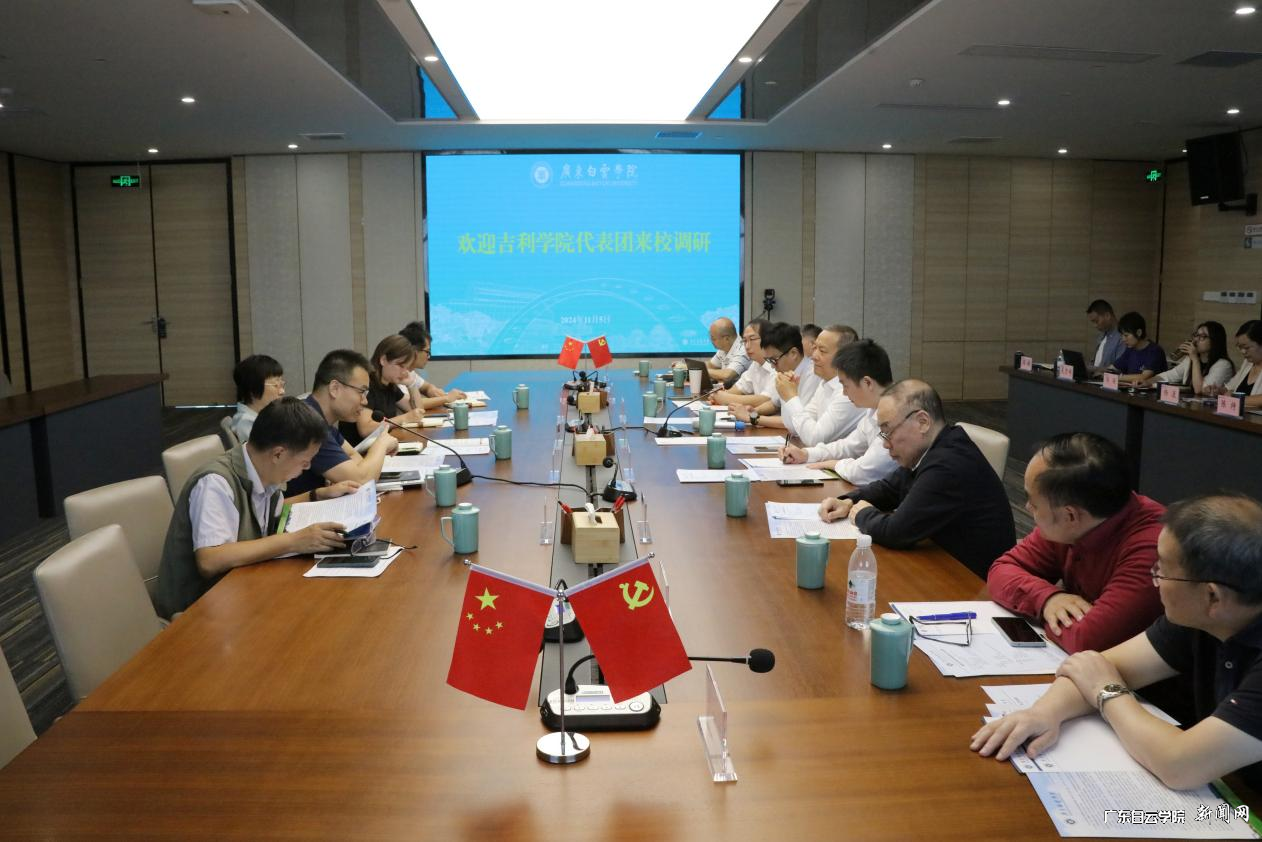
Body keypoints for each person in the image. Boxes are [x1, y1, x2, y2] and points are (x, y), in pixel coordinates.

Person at [972, 493, 1262, 792]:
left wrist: (1107, 691)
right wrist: (1043, 713)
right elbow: (1091, 668)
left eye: (1162, 570)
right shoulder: (1201, 615)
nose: (1154, 579)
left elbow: (1179, 765)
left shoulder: (1203, 614)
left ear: (1213, 596)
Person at [156, 397, 359, 617]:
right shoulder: (215, 483)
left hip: (244, 586)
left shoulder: (260, 467)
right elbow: (210, 560)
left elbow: (262, 510)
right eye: (304, 461)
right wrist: (294, 541)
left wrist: (317, 495)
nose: (308, 467)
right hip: (201, 608)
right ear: (278, 454)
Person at [987, 433, 1165, 653]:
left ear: (1070, 515)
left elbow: (1087, 639)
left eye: (1033, 502)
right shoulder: (1074, 522)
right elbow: (1001, 570)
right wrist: (1047, 599)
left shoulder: (1154, 549)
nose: (1027, 508)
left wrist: (1045, 609)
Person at [818, 380, 1015, 578]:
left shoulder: (948, 464)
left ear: (922, 422)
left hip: (974, 583)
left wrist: (862, 514)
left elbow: (895, 532)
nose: (885, 444)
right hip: (942, 562)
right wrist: (849, 501)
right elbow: (890, 488)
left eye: (888, 431)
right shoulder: (932, 448)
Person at [780, 338, 898, 485]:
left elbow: (865, 472)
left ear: (867, 383)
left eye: (846, 386)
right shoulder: (872, 409)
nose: (844, 393)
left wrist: (834, 464)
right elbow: (848, 446)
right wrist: (806, 454)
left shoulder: (896, 414)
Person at [286, 349, 397, 498]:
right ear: (334, 388)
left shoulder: (317, 414)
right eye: (361, 392)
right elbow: (362, 481)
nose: (365, 401)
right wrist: (381, 444)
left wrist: (353, 472)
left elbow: (352, 456)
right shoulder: (307, 422)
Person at [776, 324, 864, 446]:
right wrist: (786, 395)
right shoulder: (824, 383)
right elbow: (794, 427)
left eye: (822, 351)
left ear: (844, 357)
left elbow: (815, 439)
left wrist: (791, 397)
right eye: (815, 348)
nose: (813, 356)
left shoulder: (848, 392)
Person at [341, 335, 430, 448]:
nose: (404, 372)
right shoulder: (368, 383)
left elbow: (418, 411)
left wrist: (411, 385)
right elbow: (365, 429)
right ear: (383, 360)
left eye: (407, 367)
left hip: (379, 447)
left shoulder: (389, 384)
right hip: (358, 452)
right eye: (400, 366)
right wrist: (404, 418)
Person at [728, 323, 818, 429]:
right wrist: (753, 411)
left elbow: (796, 422)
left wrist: (752, 418)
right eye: (768, 360)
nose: (771, 365)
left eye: (774, 360)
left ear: (793, 353)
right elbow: (775, 404)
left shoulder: (813, 375)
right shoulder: (786, 372)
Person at [1146, 321, 1234, 393]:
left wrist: (1195, 359)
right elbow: (1170, 375)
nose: (1196, 340)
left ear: (1215, 341)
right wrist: (1147, 382)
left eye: (1202, 336)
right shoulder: (1190, 359)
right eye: (1196, 335)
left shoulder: (1223, 365)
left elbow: (1199, 390)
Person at [399, 321, 465, 411]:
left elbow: (426, 386)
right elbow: (410, 404)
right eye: (427, 352)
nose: (428, 357)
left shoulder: (410, 372)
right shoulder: (396, 373)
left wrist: (431, 390)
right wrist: (446, 398)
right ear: (414, 351)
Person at [711, 319, 774, 408]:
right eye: (744, 341)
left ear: (768, 339)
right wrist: (717, 396)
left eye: (752, 339)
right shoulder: (755, 364)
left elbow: (766, 399)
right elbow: (740, 387)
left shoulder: (778, 364)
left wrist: (726, 398)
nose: (747, 346)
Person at [228, 354, 285, 442]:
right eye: (276, 385)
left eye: (282, 384)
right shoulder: (247, 424)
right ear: (253, 389)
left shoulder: (264, 415)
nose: (282, 392)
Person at [1215, 320, 1262, 409]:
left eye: (1247, 347)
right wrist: (1219, 391)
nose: (1243, 351)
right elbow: (1231, 387)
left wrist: (1236, 398)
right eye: (1240, 347)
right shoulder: (1247, 363)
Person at [1109, 311, 1167, 383]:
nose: (1123, 339)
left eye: (1126, 335)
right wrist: (1100, 372)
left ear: (1139, 332)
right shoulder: (1130, 349)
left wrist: (1117, 377)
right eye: (1122, 335)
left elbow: (1143, 377)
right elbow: (1113, 368)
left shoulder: (1154, 351)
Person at [704, 317, 750, 385]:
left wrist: (703, 371)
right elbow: (711, 365)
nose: (711, 341)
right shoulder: (723, 349)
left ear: (726, 339)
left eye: (713, 339)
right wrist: (694, 367)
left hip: (739, 391)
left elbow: (727, 375)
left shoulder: (743, 350)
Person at [1087, 300, 1125, 374]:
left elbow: (1118, 368)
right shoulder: (1101, 336)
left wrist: (1093, 369)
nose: (1094, 326)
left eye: (1096, 321)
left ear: (1107, 316)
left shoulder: (1122, 337)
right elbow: (1097, 363)